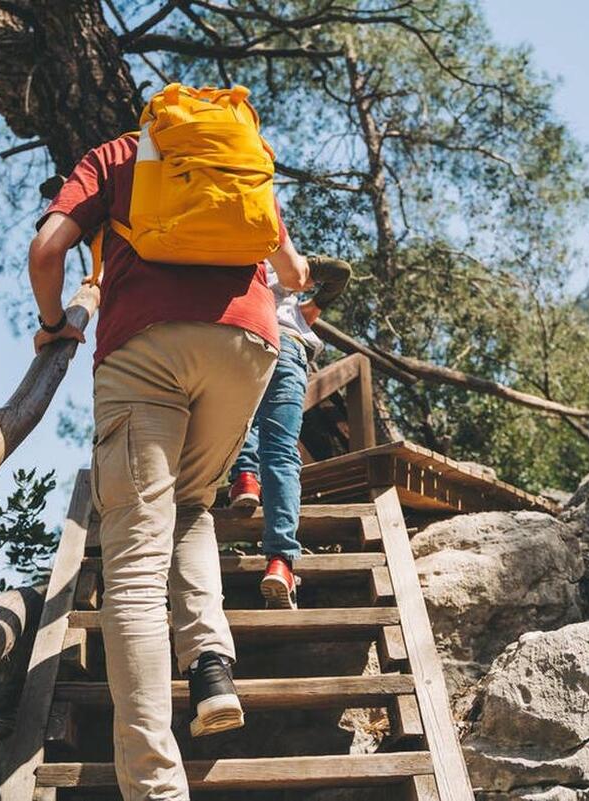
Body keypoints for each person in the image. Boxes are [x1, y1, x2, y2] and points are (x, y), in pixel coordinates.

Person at [27, 130, 310, 800]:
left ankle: (156, 786)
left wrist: (53, 322)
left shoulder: (113, 157)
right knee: (189, 504)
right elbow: (292, 272)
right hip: (247, 344)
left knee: (131, 572)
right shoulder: (232, 153)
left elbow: (47, 250)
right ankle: (210, 666)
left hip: (145, 348)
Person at [228, 257, 352, 609]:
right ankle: (281, 562)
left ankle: (245, 479)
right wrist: (312, 307)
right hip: (286, 343)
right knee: (281, 451)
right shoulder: (281, 262)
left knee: (238, 421)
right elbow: (339, 271)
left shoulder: (224, 259)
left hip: (240, 341)